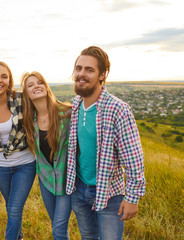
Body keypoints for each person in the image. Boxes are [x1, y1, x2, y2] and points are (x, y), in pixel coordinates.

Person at [66, 46, 146, 240]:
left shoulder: (118, 109)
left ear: (102, 75)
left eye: (89, 70)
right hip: (79, 189)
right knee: (88, 237)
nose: (81, 74)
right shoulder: (76, 104)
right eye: (78, 68)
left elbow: (134, 160)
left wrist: (132, 198)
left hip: (109, 194)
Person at [0, 61, 36, 240]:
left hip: (25, 163)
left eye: (4, 76)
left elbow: (46, 104)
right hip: (0, 166)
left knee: (15, 209)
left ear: (9, 81)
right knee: (11, 207)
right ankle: (19, 237)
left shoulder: (21, 99)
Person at [21, 71, 72, 240]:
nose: (36, 86)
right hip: (46, 180)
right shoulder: (29, 120)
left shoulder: (67, 113)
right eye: (30, 85)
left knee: (57, 231)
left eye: (39, 82)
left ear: (46, 86)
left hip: (66, 182)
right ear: (26, 94)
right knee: (57, 226)